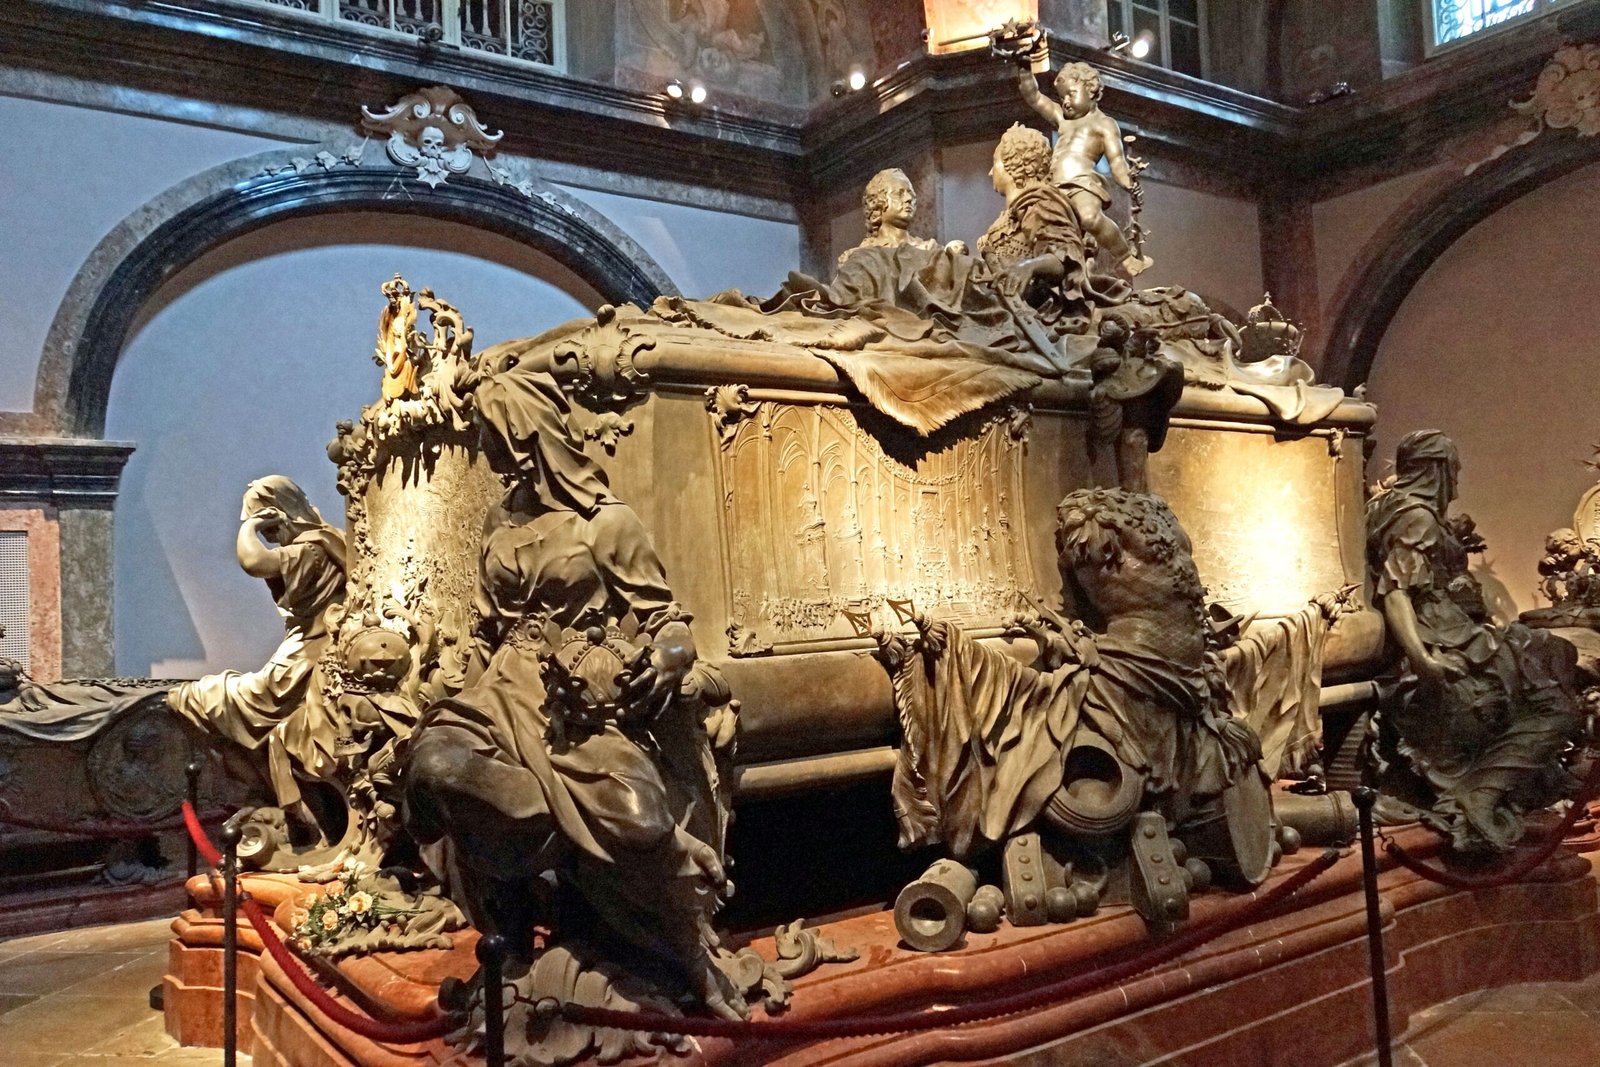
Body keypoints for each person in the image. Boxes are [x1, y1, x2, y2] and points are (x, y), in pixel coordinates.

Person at [405, 359, 741, 1020]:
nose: (482, 448)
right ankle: (518, 920)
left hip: (575, 704)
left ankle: (693, 958)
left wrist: (672, 658)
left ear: (521, 433)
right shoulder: (499, 522)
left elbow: (667, 617)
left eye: (488, 433)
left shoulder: (605, 522)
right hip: (499, 690)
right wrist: (447, 679)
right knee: (436, 766)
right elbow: (483, 628)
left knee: (642, 823)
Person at [1367, 430, 1583, 852]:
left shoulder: (1387, 506)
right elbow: (1395, 593)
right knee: (1558, 708)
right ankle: (1480, 794)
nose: (1458, 482)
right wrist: (1424, 661)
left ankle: (1526, 778)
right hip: (1445, 639)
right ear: (1435, 471)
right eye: (1454, 471)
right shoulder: (1416, 517)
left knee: (1556, 653)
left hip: (1457, 632)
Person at [167, 476, 347, 829]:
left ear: (281, 512)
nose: (268, 536)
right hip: (300, 650)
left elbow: (253, 562)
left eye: (269, 527)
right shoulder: (314, 546)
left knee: (209, 700)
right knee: (202, 702)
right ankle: (274, 798)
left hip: (311, 656)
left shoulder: (313, 547)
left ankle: (300, 813)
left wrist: (249, 525)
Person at [1015, 60, 1151, 276]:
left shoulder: (1104, 124)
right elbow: (1034, 96)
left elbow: (1116, 160)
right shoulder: (1063, 119)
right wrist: (1023, 65)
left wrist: (1128, 182)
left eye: (1071, 94)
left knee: (1089, 217)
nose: (1065, 102)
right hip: (1054, 187)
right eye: (1061, 97)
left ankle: (1127, 257)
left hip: (1082, 183)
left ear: (1091, 89)